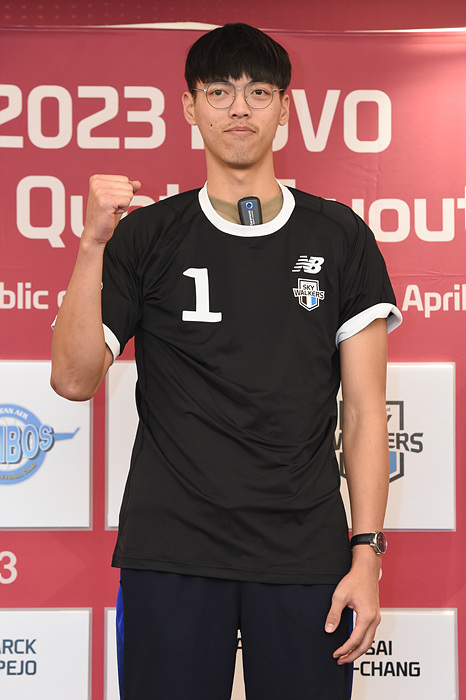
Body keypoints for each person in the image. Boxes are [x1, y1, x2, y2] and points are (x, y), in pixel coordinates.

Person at [51, 23, 402, 700]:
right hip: (173, 550)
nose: (239, 108)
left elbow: (363, 411)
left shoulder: (340, 236)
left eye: (258, 92)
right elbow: (72, 379)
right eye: (219, 91)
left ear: (285, 107)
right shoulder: (146, 235)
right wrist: (92, 245)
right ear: (189, 106)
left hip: (305, 554)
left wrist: (367, 553)